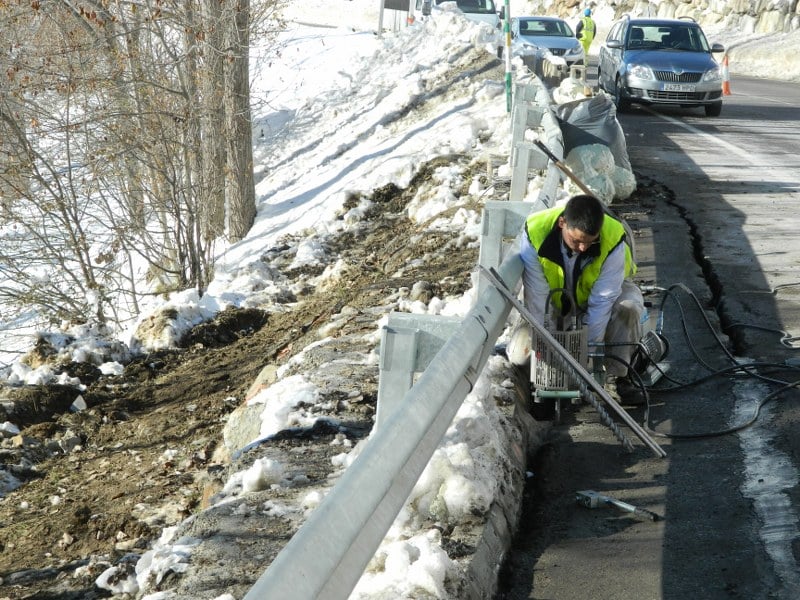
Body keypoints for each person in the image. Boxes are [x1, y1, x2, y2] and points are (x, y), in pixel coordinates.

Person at [519, 194, 645, 397]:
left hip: (605, 295)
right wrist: (550, 351)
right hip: (559, 299)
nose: (583, 248)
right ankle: (552, 377)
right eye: (576, 241)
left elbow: (602, 300)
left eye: (589, 242)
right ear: (562, 223)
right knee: (542, 334)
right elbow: (538, 298)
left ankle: (619, 376)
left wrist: (590, 354)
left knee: (628, 309)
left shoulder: (613, 237)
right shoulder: (535, 232)